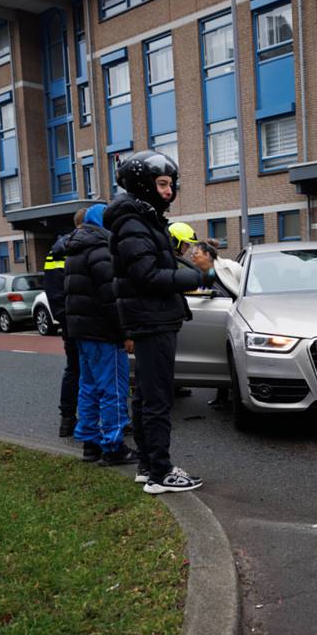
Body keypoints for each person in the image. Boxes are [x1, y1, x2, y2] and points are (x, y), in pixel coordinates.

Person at [107, 151, 204, 494]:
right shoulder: (134, 222)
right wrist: (194, 278)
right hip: (153, 317)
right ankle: (161, 472)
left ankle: (147, 464)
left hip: (152, 317)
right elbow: (146, 275)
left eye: (171, 184)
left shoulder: (141, 219)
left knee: (147, 394)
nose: (168, 191)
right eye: (161, 183)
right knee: (157, 398)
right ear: (142, 184)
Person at [64, 204, 137, 466]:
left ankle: (90, 444)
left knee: (89, 389)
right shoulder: (101, 248)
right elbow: (111, 297)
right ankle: (113, 447)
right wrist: (125, 333)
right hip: (103, 333)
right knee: (114, 391)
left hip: (82, 333)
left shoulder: (75, 248)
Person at [46, 208, 85, 437]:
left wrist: (63, 317)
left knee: (73, 369)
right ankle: (110, 421)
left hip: (69, 320)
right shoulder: (89, 245)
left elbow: (52, 289)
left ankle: (67, 420)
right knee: (97, 370)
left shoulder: (56, 250)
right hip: (89, 321)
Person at [191, 239, 242, 410]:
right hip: (216, 317)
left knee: (234, 356)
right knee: (221, 354)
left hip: (237, 317)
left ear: (207, 255)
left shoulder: (230, 267)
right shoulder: (199, 273)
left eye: (195, 253)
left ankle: (237, 395)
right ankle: (222, 395)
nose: (192, 256)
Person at [167, 221, 200, 398]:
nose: (187, 248)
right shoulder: (168, 260)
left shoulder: (173, 259)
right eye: (185, 244)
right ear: (175, 242)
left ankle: (173, 385)